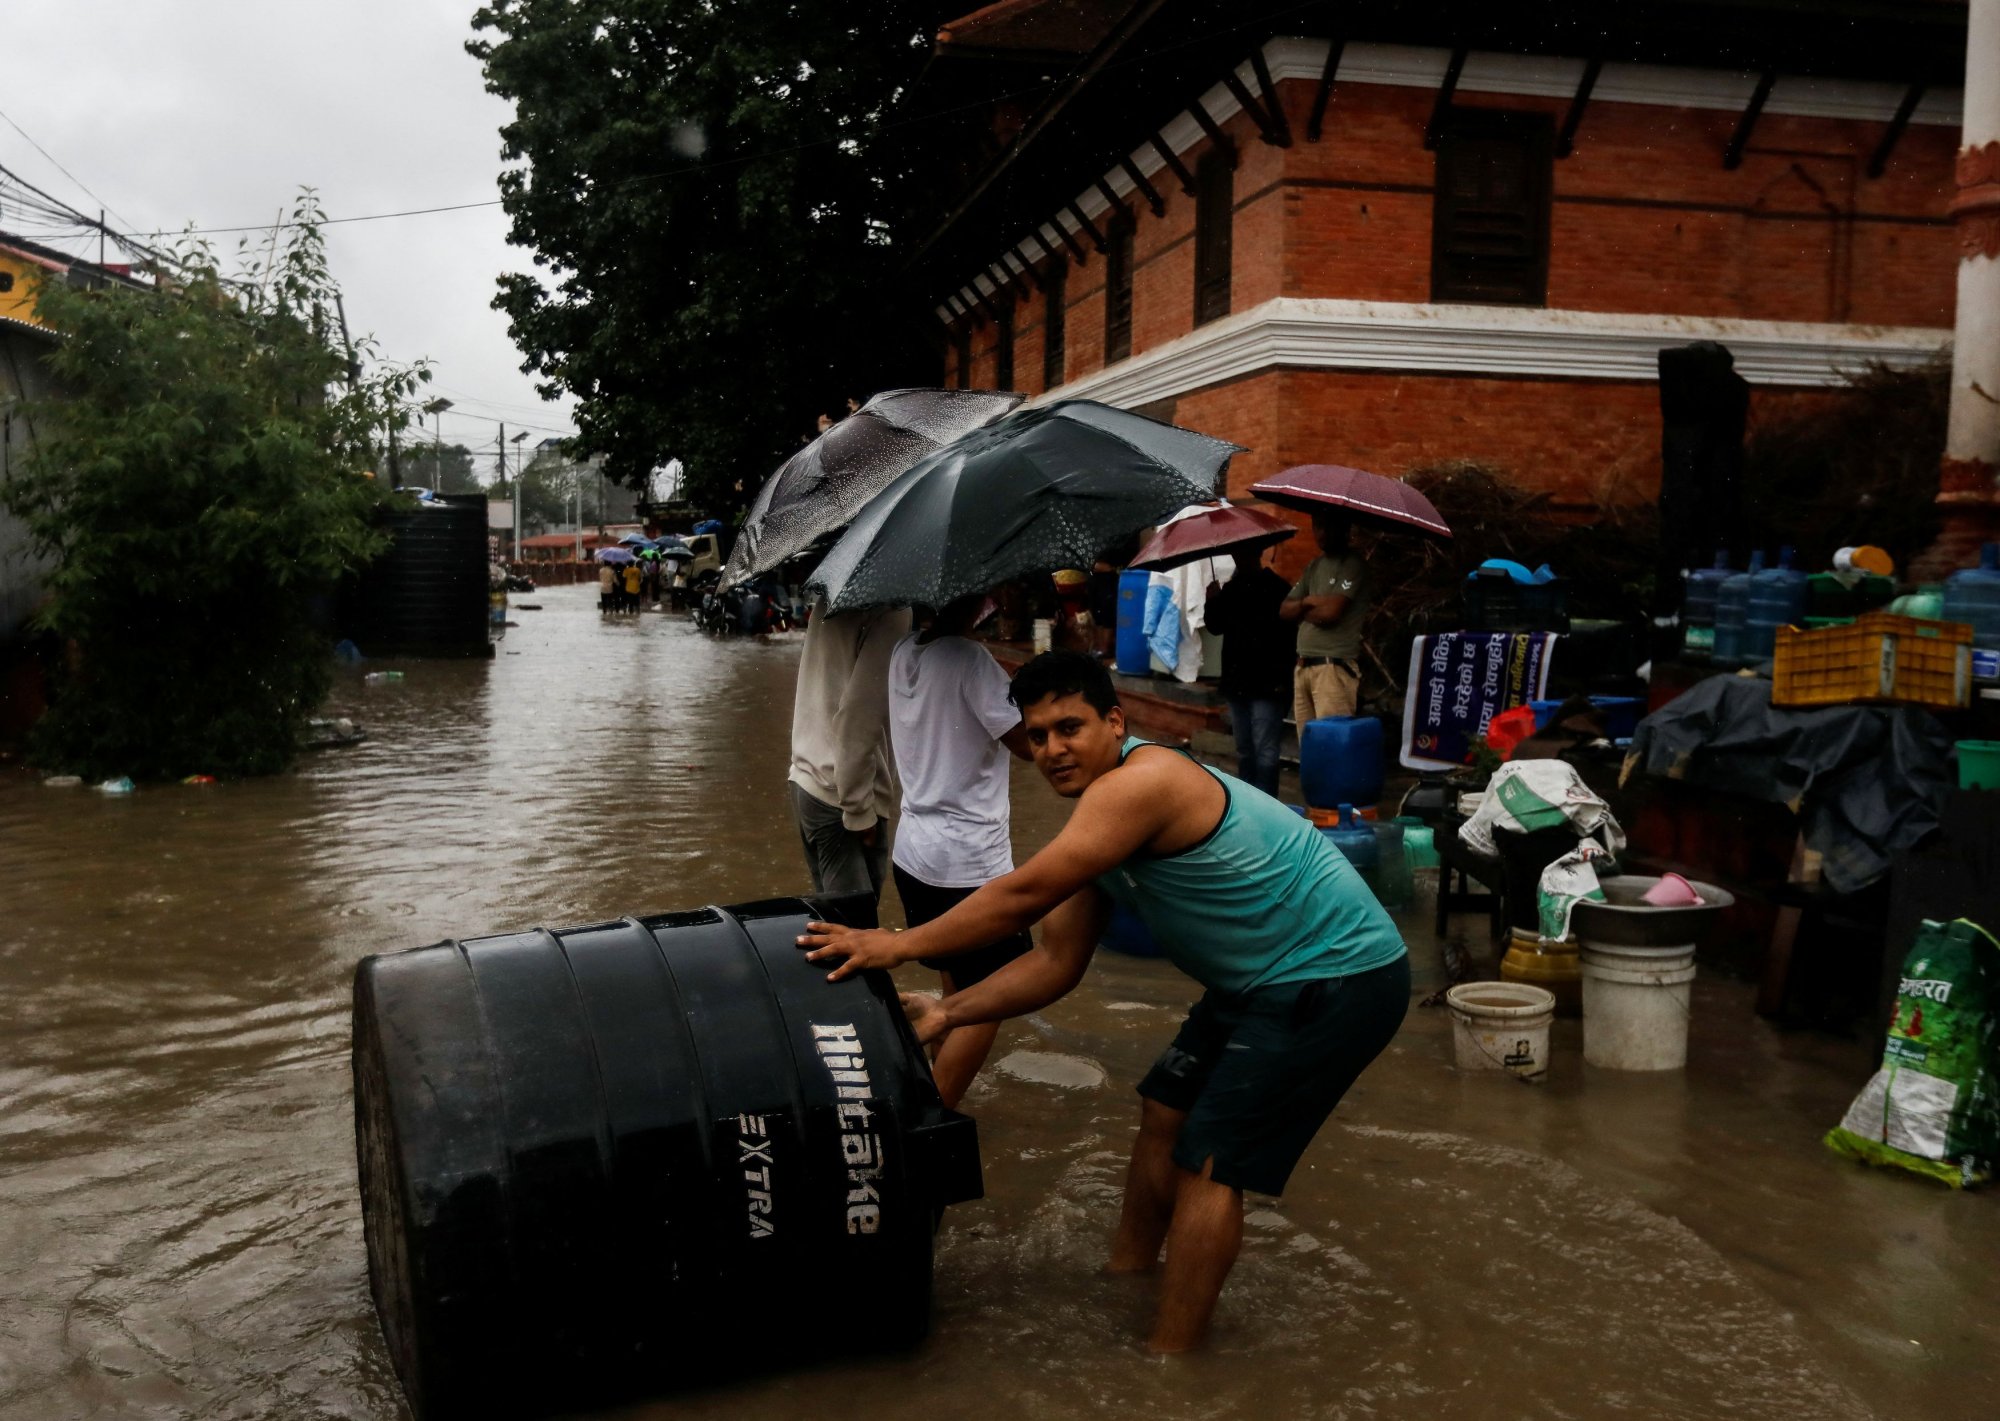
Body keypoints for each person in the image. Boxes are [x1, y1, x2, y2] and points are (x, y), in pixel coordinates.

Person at [799, 650, 1408, 1354]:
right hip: (1261, 979)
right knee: (1164, 1112)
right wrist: (949, 1012)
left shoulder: (1140, 784)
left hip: (1336, 974)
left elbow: (1019, 895)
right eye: (1036, 736)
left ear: (1115, 721)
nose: (1053, 749)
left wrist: (894, 944)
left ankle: (1168, 1362)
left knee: (1211, 1159)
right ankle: (1128, 1278)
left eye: (1070, 727)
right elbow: (1055, 962)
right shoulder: (1103, 821)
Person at [885, 593, 1033, 1108]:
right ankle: (929, 1118)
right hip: (969, 861)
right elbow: (1030, 743)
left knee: (956, 992)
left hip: (914, 853)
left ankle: (929, 1080)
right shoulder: (972, 661)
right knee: (989, 999)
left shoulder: (905, 651)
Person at [788, 602, 913, 927]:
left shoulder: (832, 596)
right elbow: (859, 716)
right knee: (856, 936)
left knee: (833, 930)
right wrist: (860, 811)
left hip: (806, 778)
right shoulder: (893, 609)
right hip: (842, 793)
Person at [1203, 547, 1293, 797]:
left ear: (1257, 552)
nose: (1239, 558)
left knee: (1264, 750)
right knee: (1245, 749)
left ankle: (1267, 806)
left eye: (1242, 552)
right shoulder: (1230, 590)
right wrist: (1212, 600)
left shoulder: (1277, 588)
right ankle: (1250, 805)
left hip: (1268, 683)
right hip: (1237, 681)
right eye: (1235, 554)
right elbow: (1215, 626)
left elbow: (1288, 635)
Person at [1279, 513, 1371, 725]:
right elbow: (1284, 610)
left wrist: (1302, 610)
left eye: (1328, 526)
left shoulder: (1352, 564)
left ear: (1344, 529)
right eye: (1318, 526)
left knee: (1331, 743)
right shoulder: (1314, 566)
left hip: (1333, 667)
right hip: (1303, 666)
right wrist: (1306, 602)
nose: (1322, 533)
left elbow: (1330, 613)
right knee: (1308, 747)